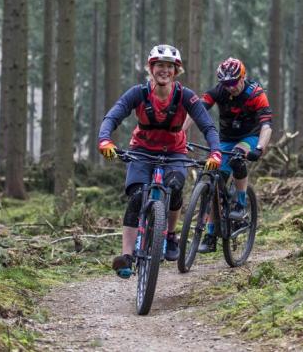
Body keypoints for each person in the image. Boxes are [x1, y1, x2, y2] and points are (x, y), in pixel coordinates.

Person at [98, 44, 222, 278]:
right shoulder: (138, 93)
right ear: (151, 68)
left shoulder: (186, 96)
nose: (164, 70)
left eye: (169, 66)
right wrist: (105, 140)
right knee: (136, 197)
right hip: (142, 150)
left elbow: (208, 126)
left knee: (174, 188)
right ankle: (126, 256)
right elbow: (113, 115)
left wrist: (215, 152)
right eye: (159, 65)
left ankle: (171, 235)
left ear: (176, 71)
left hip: (174, 152)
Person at [185, 57, 272, 254]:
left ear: (243, 77)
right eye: (226, 83)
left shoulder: (256, 93)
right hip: (225, 139)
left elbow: (267, 125)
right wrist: (180, 134)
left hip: (250, 137)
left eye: (233, 82)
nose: (230, 87)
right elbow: (196, 110)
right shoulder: (219, 91)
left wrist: (260, 147)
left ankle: (240, 204)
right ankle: (210, 234)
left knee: (236, 158)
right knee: (215, 181)